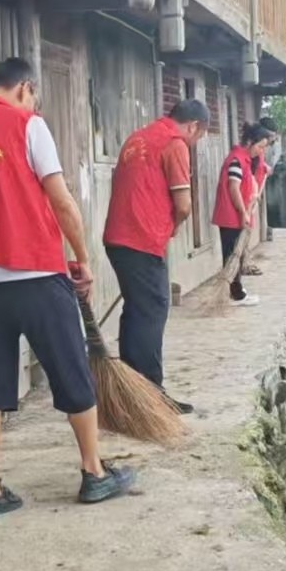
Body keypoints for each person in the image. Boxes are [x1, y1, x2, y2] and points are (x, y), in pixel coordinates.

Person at [0, 58, 135, 521]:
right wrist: (83, 257)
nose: (34, 103)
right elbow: (60, 199)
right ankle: (94, 472)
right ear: (25, 88)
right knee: (72, 372)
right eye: (34, 96)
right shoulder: (28, 125)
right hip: (37, 273)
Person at [102, 99, 211, 413]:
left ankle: (131, 391)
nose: (195, 142)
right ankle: (151, 395)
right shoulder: (174, 144)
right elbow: (184, 205)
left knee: (137, 311)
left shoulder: (138, 138)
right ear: (193, 126)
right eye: (199, 136)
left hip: (118, 238)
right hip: (142, 239)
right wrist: (171, 228)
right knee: (152, 312)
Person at [212, 123, 273, 305]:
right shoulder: (236, 161)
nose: (261, 151)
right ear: (249, 142)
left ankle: (236, 291)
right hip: (231, 216)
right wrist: (243, 212)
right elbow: (234, 188)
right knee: (232, 256)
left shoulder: (245, 159)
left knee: (236, 255)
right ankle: (236, 294)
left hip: (236, 215)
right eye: (260, 146)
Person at [244, 116, 279, 275]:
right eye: (271, 135)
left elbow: (259, 164)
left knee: (248, 228)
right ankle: (243, 263)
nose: (273, 139)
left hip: (255, 192)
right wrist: (253, 192)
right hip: (249, 194)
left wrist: (265, 167)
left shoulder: (262, 147)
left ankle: (245, 261)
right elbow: (249, 171)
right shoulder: (254, 147)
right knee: (244, 229)